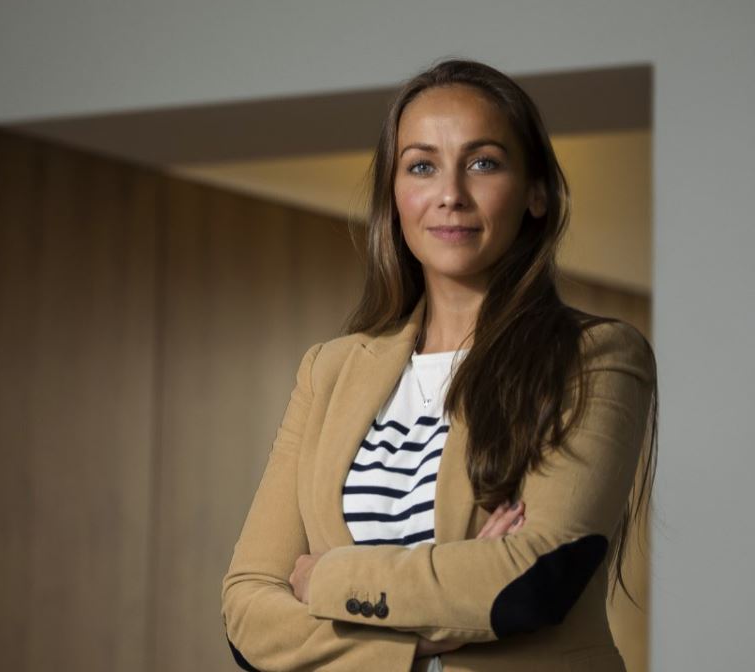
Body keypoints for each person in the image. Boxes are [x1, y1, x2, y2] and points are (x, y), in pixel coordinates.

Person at [220, 58, 658, 672]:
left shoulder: (593, 358)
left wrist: (327, 579)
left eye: (483, 163)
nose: (450, 194)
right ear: (394, 196)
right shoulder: (328, 372)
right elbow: (247, 610)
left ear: (536, 192)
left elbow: (533, 581)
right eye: (422, 166)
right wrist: (420, 638)